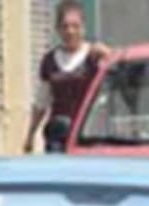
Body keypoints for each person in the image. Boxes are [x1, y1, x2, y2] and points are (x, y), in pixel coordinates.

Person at [24, 0, 110, 154]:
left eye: (75, 26)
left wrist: (108, 54)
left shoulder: (94, 56)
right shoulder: (49, 61)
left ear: (83, 27)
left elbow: (118, 75)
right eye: (65, 26)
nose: (70, 31)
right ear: (58, 29)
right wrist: (30, 135)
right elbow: (41, 101)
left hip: (88, 134)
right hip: (58, 134)